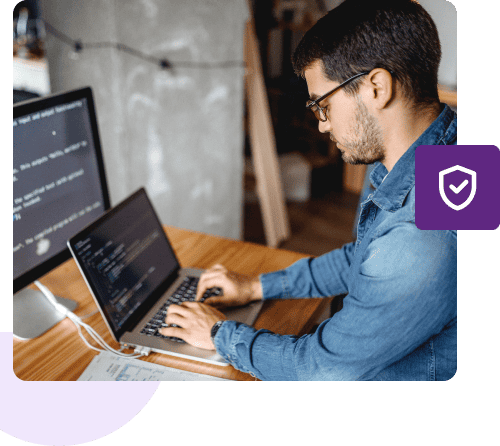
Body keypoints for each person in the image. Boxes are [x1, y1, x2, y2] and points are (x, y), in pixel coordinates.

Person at [159, 0, 457, 381]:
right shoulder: (448, 156)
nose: (321, 125)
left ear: (377, 87)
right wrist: (256, 285)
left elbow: (321, 370)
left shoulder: (420, 233)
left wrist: (218, 333)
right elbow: (365, 259)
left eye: (323, 106)